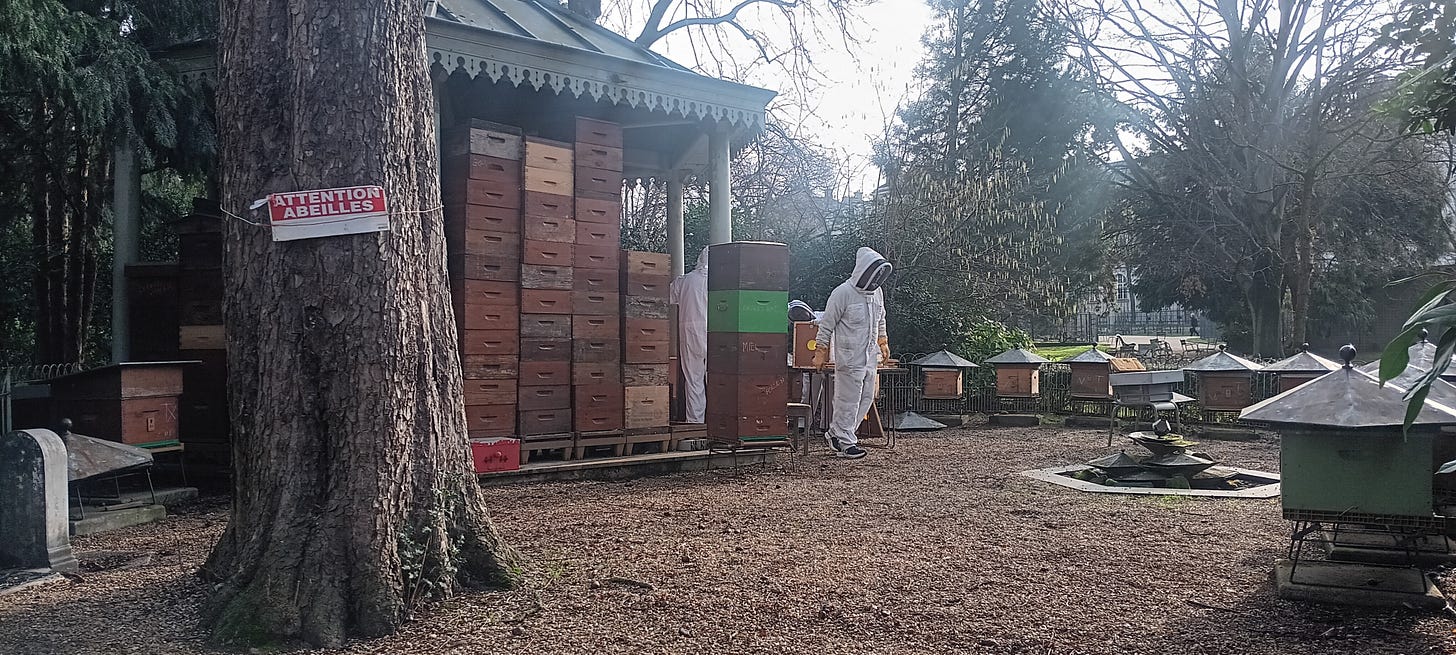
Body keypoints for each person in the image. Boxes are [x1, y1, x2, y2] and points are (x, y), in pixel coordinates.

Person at [812, 247, 891, 460]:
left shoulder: (877, 293)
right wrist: (820, 350)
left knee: (867, 397)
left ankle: (839, 434)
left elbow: (881, 319)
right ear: (863, 270)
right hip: (848, 357)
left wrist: (883, 341)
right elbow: (826, 324)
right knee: (848, 401)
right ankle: (846, 442)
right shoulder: (842, 293)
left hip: (870, 356)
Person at [670, 247, 709, 423]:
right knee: (719, 379)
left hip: (690, 335)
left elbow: (667, 296)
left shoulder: (685, 280)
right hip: (715, 333)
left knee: (694, 380)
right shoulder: (720, 283)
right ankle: (718, 422)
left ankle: (695, 423)